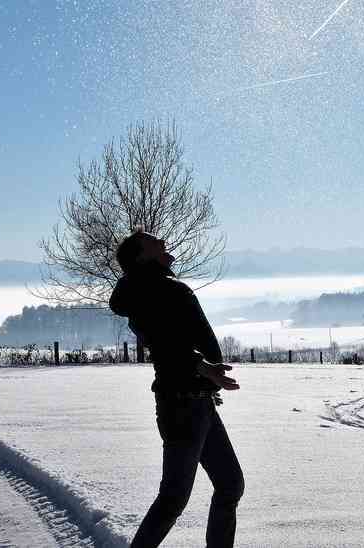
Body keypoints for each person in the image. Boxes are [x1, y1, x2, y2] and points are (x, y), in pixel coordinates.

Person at [109, 228, 244, 548]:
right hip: (182, 404)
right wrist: (202, 366)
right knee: (174, 498)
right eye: (154, 241)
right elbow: (166, 346)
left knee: (229, 484)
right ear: (142, 256)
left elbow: (169, 341)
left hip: (198, 402)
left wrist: (205, 374)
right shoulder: (159, 292)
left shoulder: (151, 290)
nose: (163, 242)